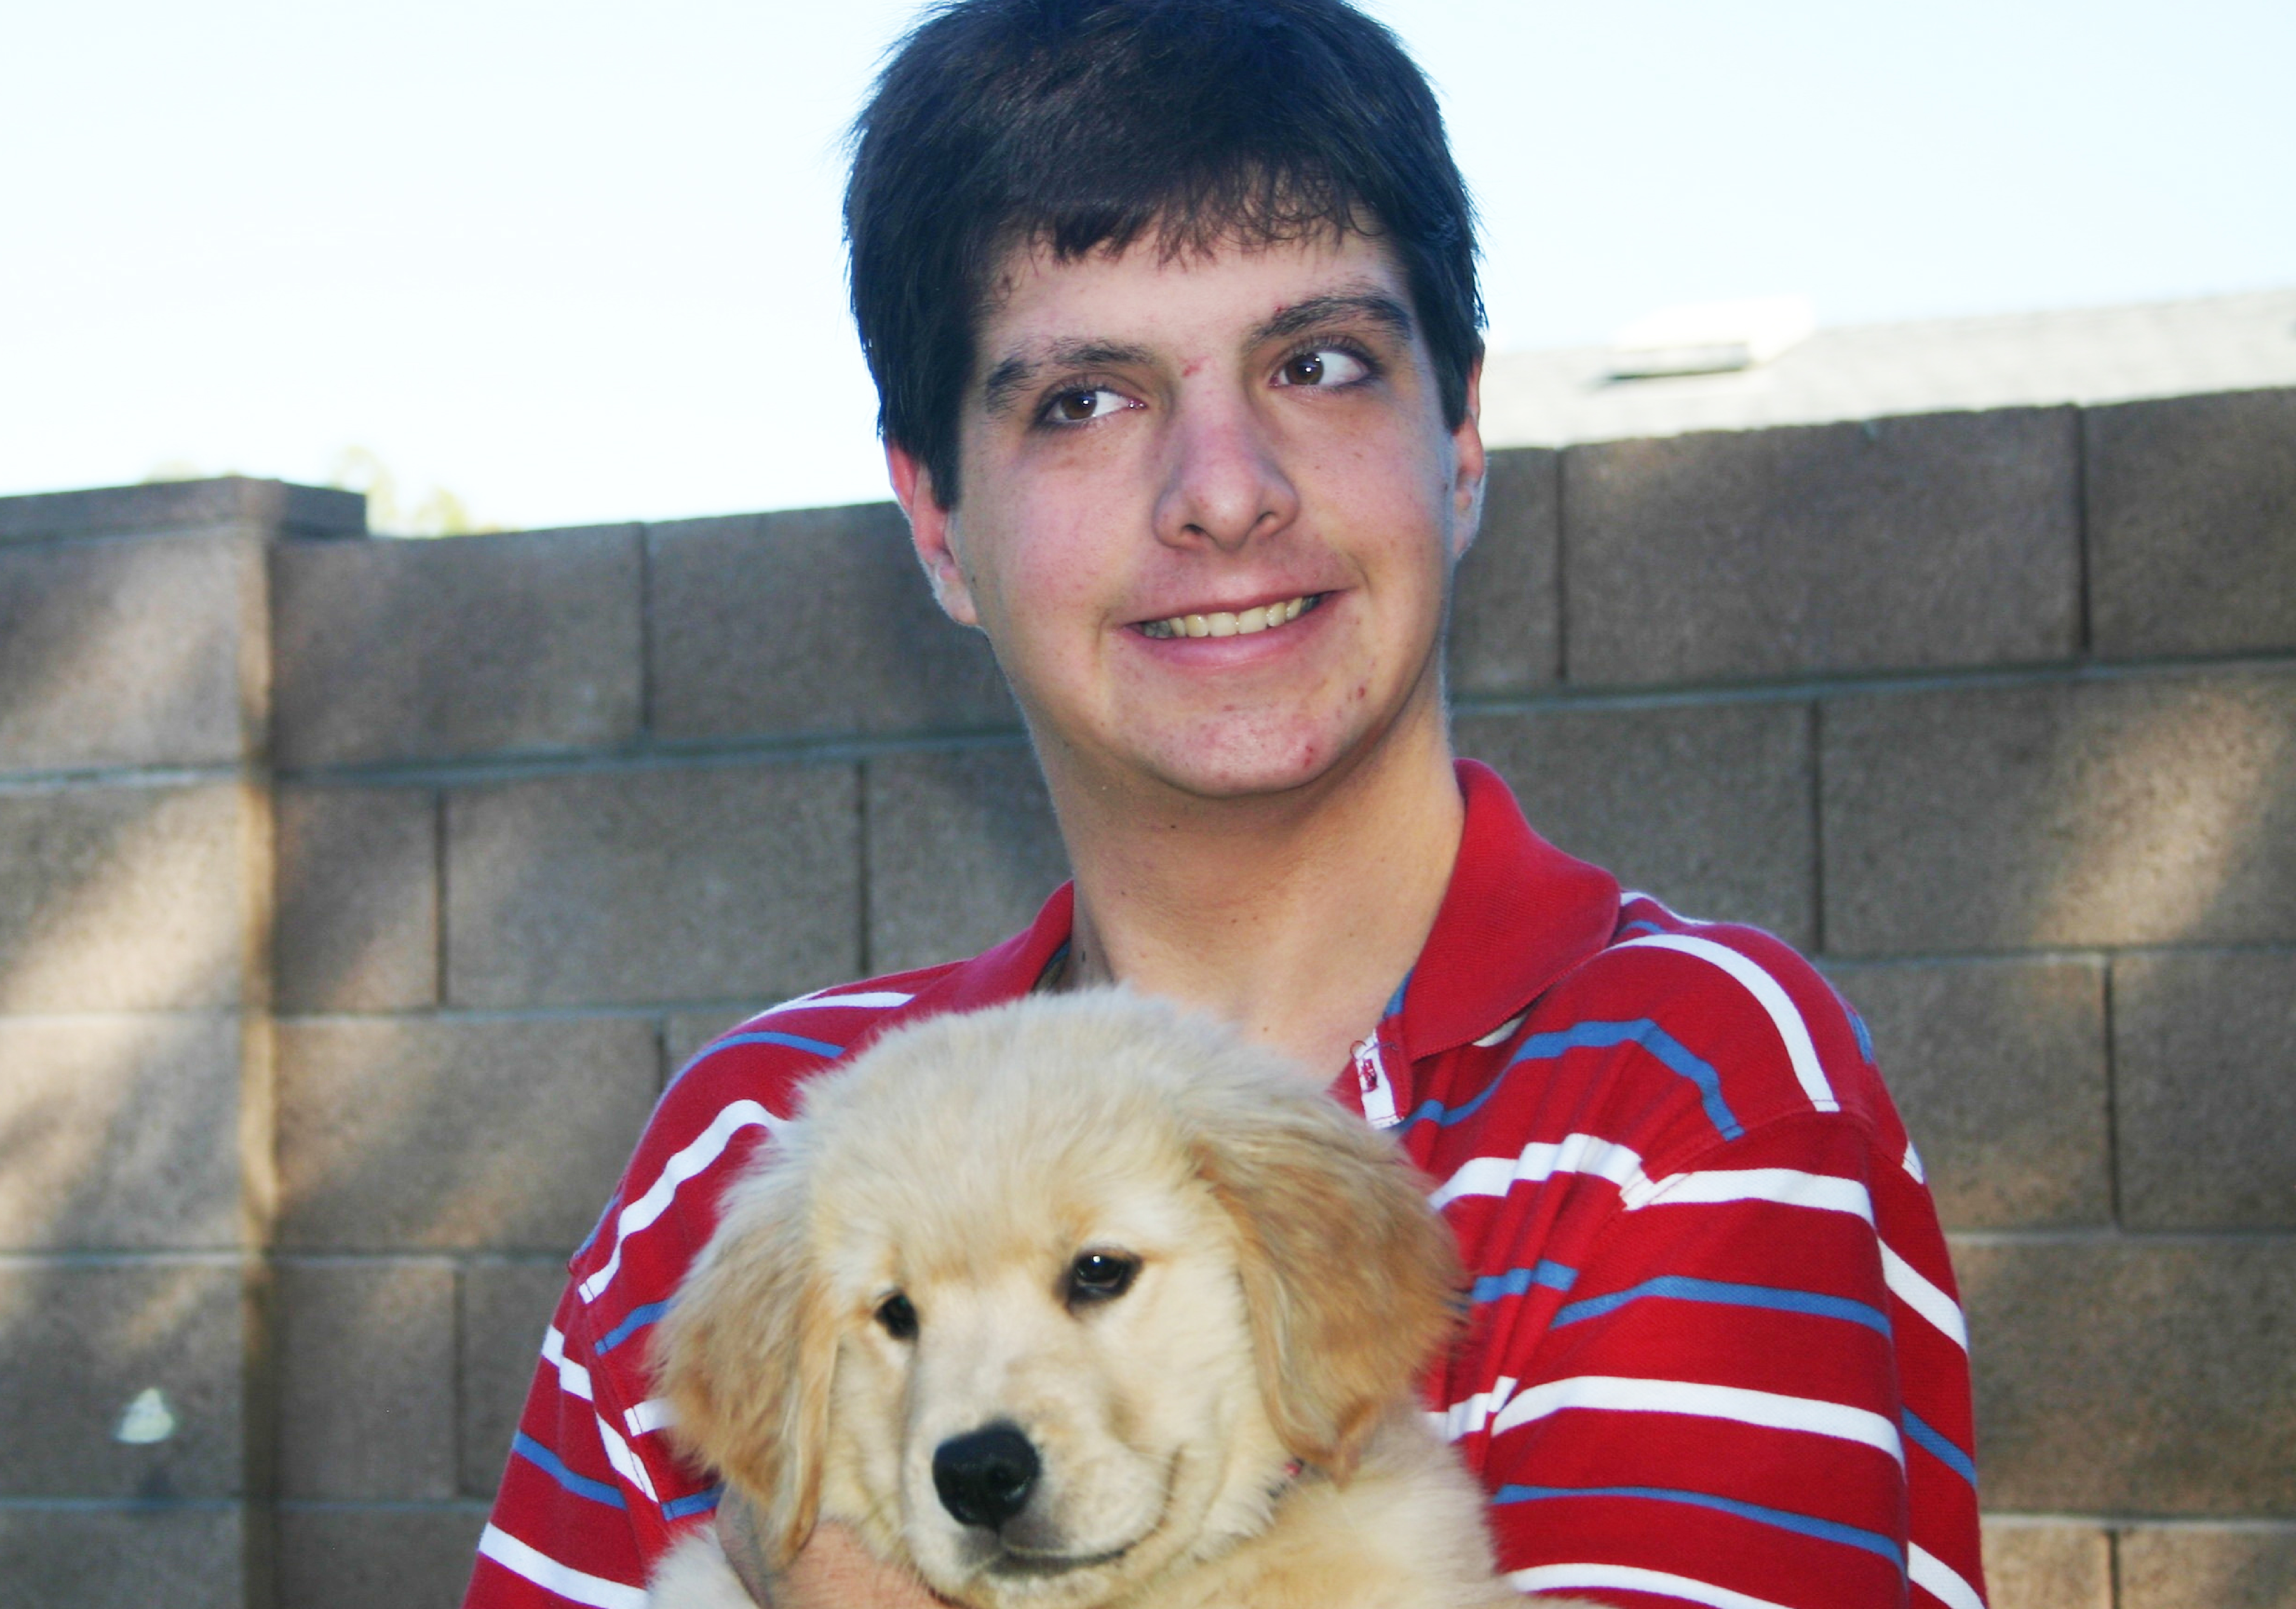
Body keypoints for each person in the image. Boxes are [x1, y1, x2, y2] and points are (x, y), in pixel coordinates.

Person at [463, 2, 1984, 1606]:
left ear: (1461, 436)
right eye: (1083, 399)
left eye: (1317, 363)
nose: (1224, 490)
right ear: (934, 519)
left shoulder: (1688, 1087)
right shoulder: (742, 1149)